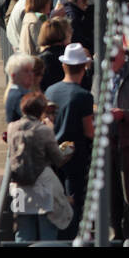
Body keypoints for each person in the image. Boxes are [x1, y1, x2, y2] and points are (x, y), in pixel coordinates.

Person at [44, 42, 95, 237]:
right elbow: (89, 132)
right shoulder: (84, 97)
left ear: (64, 66)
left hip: (53, 156)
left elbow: (47, 123)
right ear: (83, 67)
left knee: (56, 201)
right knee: (75, 203)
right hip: (76, 158)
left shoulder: (51, 91)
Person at [7, 93, 71, 242]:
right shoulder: (44, 130)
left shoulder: (11, 128)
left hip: (19, 185)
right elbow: (58, 159)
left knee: (23, 234)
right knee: (47, 232)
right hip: (41, 185)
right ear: (41, 111)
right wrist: (68, 152)